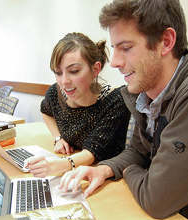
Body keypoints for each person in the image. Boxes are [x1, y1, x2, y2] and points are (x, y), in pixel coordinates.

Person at [59, 0, 188, 220]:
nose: (115, 62)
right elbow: (138, 151)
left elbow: (158, 199)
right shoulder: (145, 94)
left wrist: (129, 171)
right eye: (115, 48)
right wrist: (104, 170)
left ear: (165, 42)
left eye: (125, 48)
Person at [25, 32, 130, 177]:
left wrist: (63, 164)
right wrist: (58, 138)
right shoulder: (56, 94)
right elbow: (45, 111)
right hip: (77, 171)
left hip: (107, 176)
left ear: (95, 69)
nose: (64, 81)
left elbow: (93, 151)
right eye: (58, 72)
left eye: (74, 71)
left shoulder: (114, 101)